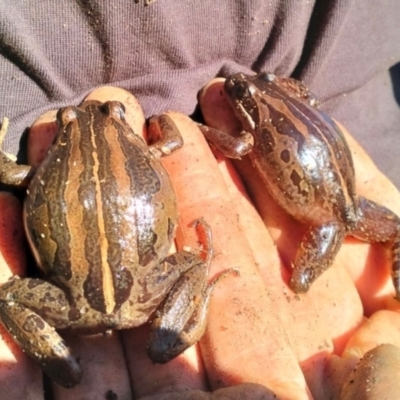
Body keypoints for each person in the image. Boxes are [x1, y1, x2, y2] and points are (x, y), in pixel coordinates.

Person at [0, 1, 400, 399]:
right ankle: (168, 336)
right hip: (142, 296)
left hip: (72, 306)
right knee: (193, 260)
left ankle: (65, 367)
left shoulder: (48, 164)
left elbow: (8, 173)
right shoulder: (140, 150)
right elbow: (177, 140)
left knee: (10, 295)